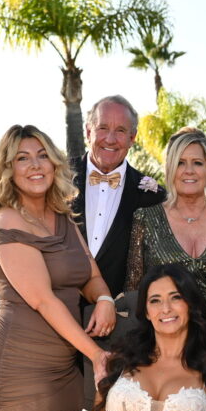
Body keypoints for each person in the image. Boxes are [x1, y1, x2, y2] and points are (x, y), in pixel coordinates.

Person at [0, 124, 116, 411]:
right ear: (8, 170)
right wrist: (97, 355)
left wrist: (104, 299)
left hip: (65, 367)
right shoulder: (8, 221)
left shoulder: (62, 217)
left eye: (42, 156)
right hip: (20, 370)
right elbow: (43, 300)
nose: (35, 165)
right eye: (22, 158)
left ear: (54, 164)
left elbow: (91, 275)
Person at [126, 128, 206, 348]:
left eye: (197, 163)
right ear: (170, 168)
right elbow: (134, 289)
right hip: (168, 345)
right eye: (180, 163)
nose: (189, 171)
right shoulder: (146, 218)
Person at [99, 263, 206, 411]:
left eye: (176, 297)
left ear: (190, 304)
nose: (165, 309)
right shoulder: (121, 360)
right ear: (146, 311)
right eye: (155, 300)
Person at [71, 95, 166, 298]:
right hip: (54, 310)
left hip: (120, 313)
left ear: (132, 138)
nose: (110, 139)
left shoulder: (153, 197)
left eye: (120, 130)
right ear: (88, 132)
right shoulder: (56, 178)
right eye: (103, 128)